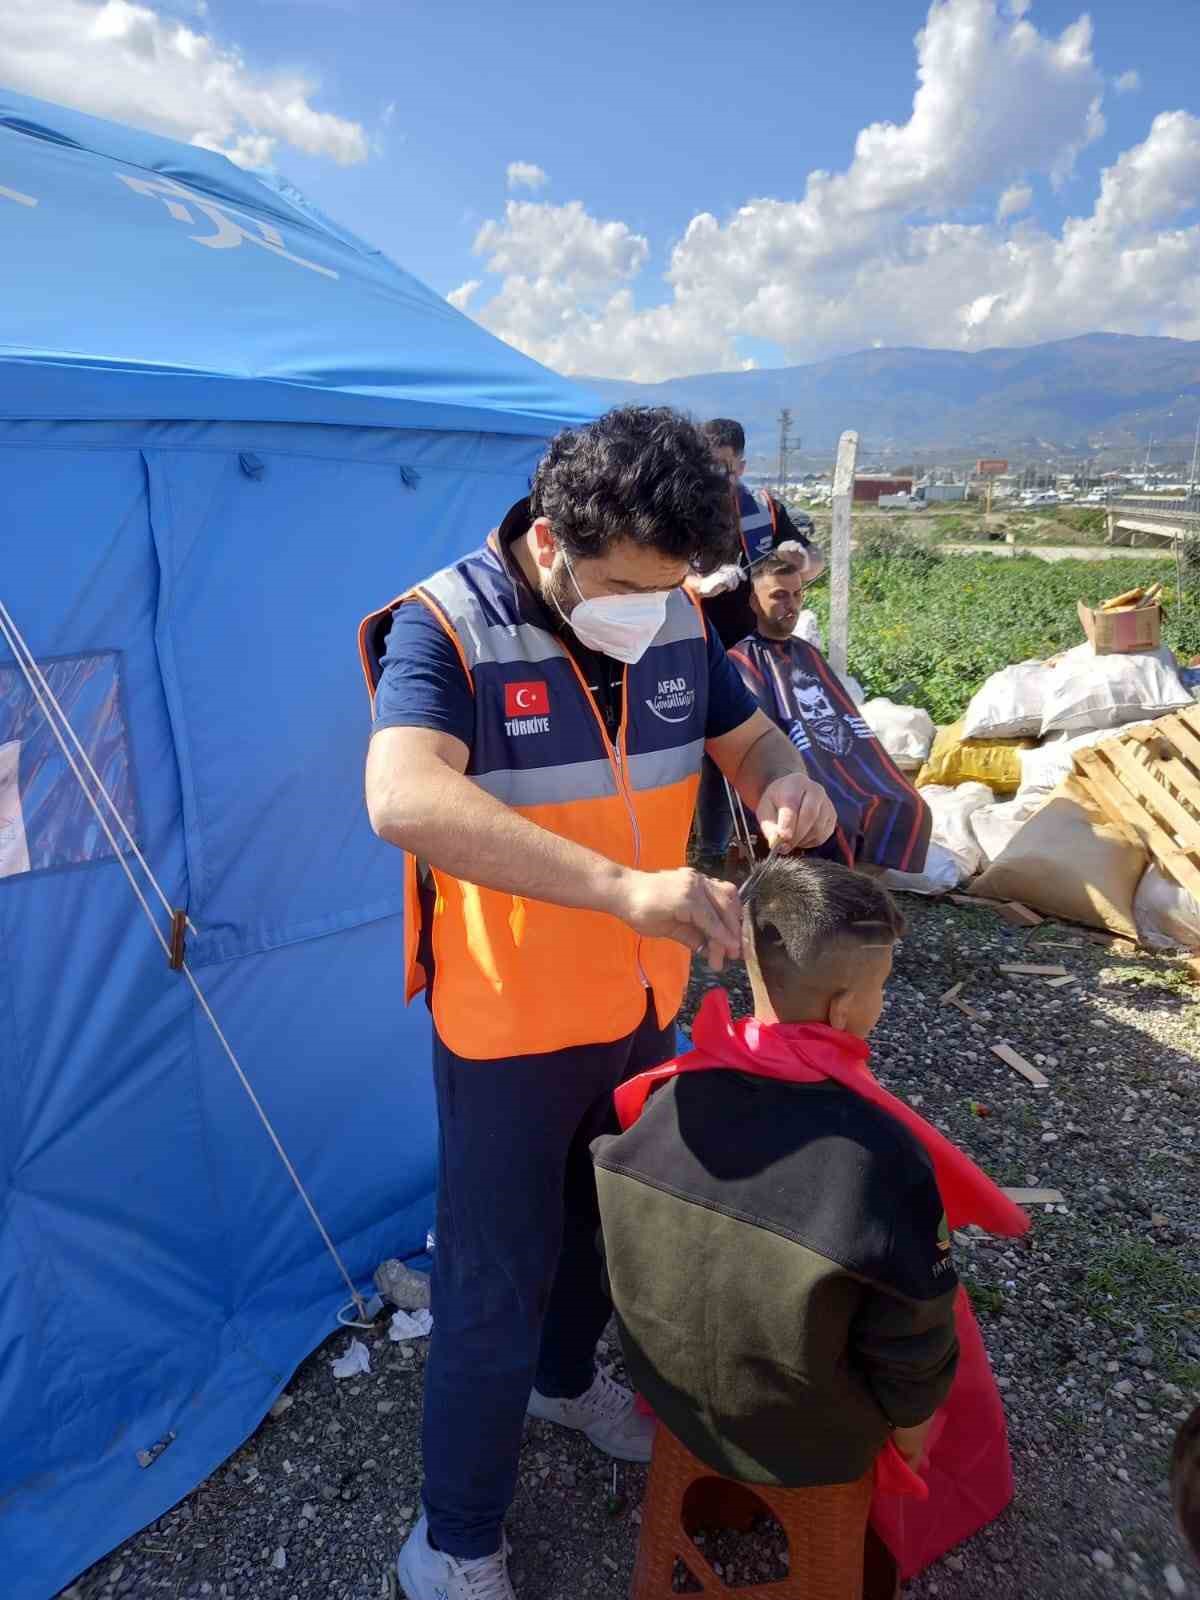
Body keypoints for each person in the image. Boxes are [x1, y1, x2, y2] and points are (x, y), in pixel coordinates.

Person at [360, 405, 837, 1600]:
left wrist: (787, 787)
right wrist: (624, 887)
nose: (652, 607)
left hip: (641, 1008)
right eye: (626, 583)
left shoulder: (674, 616)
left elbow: (749, 741)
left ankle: (565, 1387)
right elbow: (403, 798)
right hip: (509, 1028)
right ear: (554, 539)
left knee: (603, 1233)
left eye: (673, 583)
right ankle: (455, 1540)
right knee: (490, 1279)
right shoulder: (449, 627)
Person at [596, 855, 1029, 1581]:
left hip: (671, 1397)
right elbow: (912, 1347)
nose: (881, 1006)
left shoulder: (661, 1102)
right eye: (881, 991)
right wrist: (913, 1433)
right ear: (843, 1011)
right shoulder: (882, 1158)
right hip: (812, 1440)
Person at [727, 554, 932, 876]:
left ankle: (860, 884)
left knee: (907, 803)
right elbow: (759, 737)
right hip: (801, 771)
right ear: (754, 601)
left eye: (796, 595)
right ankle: (833, 890)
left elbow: (844, 716)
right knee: (840, 814)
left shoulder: (807, 652)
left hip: (837, 759)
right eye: (779, 595)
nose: (790, 604)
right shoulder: (741, 660)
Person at [689, 418, 826, 864]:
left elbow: (812, 565)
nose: (719, 478)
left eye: (727, 469)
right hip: (692, 644)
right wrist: (698, 585)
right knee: (700, 748)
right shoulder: (681, 510)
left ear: (742, 466)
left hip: (752, 654)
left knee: (743, 741)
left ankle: (744, 842)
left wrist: (801, 561)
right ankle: (703, 845)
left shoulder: (763, 510)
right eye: (709, 467)